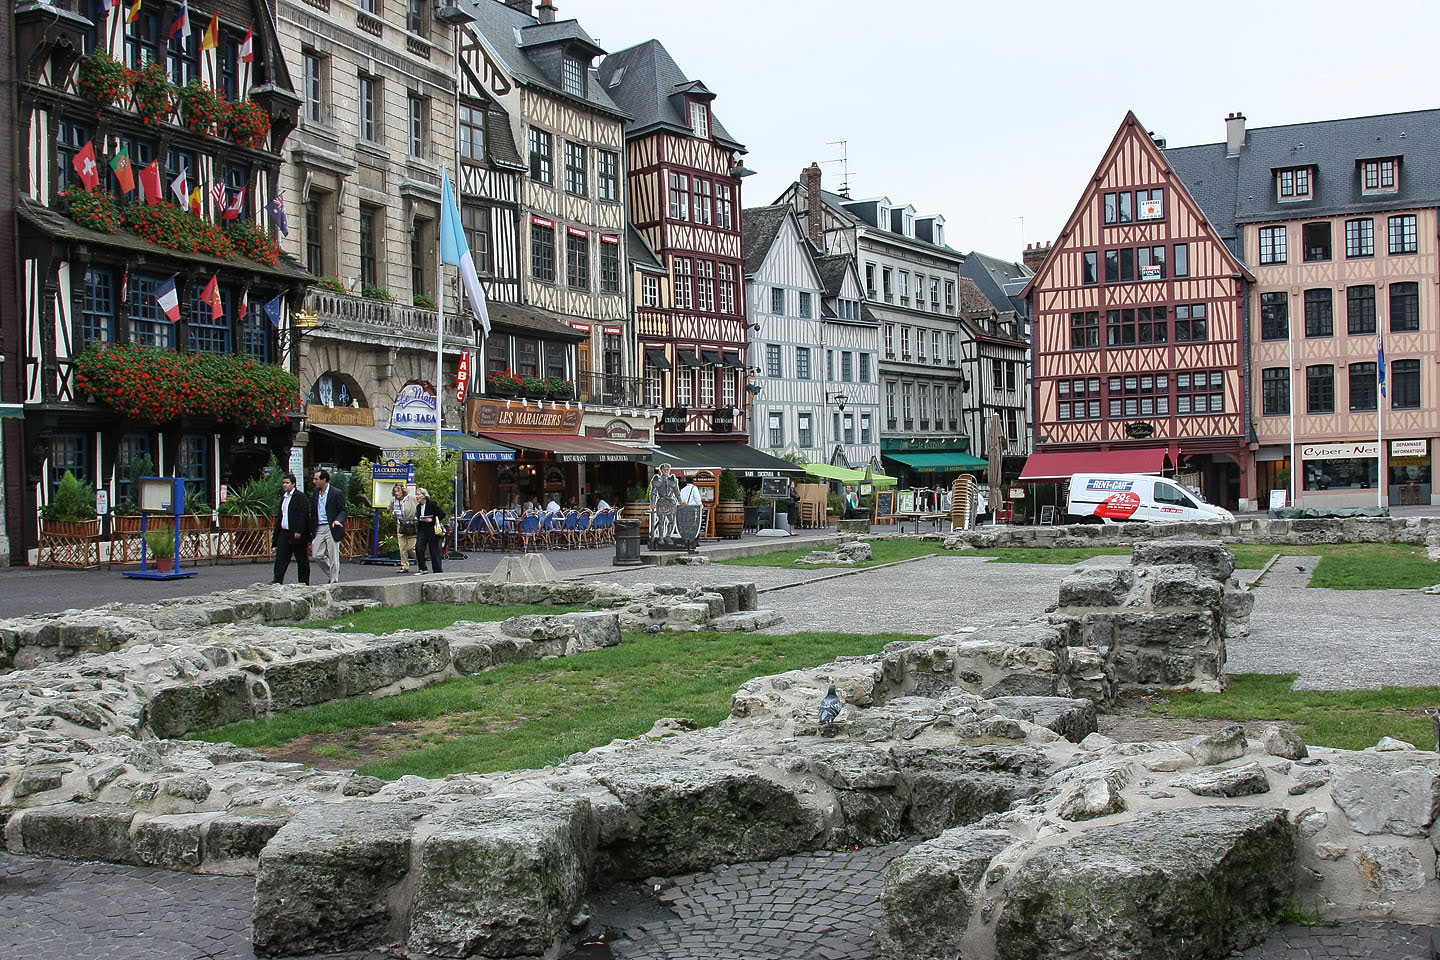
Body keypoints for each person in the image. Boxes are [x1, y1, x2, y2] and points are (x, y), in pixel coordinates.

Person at [272, 474, 312, 585]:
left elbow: (303, 515)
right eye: (283, 483)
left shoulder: (300, 497)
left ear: (293, 484)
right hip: (284, 531)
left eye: (287, 483)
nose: (284, 485)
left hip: (296, 533)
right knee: (281, 557)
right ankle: (277, 580)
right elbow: (282, 515)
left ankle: (303, 582)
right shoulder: (284, 497)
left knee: (301, 558)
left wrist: (299, 530)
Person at [309, 469, 347, 584]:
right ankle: (332, 572)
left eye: (316, 479)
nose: (314, 481)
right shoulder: (316, 493)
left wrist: (338, 520)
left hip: (332, 526)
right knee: (316, 554)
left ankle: (334, 581)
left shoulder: (336, 493)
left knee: (333, 555)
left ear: (324, 480)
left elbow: (343, 510)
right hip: (319, 526)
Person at [414, 487, 446, 574]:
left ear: (424, 496)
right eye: (416, 494)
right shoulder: (418, 507)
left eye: (418, 494)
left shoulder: (432, 504)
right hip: (422, 530)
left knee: (434, 550)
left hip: (432, 530)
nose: (417, 496)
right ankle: (422, 568)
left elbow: (442, 514)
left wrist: (432, 519)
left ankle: (437, 570)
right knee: (418, 548)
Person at [390, 483, 418, 574]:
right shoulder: (393, 501)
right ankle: (404, 566)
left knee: (411, 547)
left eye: (398, 491)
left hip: (411, 523)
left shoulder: (410, 498)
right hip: (400, 524)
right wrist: (393, 512)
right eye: (395, 492)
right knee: (402, 547)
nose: (397, 493)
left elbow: (417, 503)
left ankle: (421, 560)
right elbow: (390, 509)